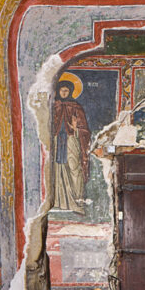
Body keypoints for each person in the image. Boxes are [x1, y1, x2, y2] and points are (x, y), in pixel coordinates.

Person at [49, 76, 91, 214]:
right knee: (58, 168)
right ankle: (59, 202)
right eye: (62, 90)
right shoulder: (54, 106)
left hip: (72, 140)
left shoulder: (76, 107)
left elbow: (84, 129)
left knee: (74, 168)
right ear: (58, 91)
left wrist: (76, 128)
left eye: (67, 91)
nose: (64, 93)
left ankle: (77, 201)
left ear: (71, 91)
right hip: (56, 140)